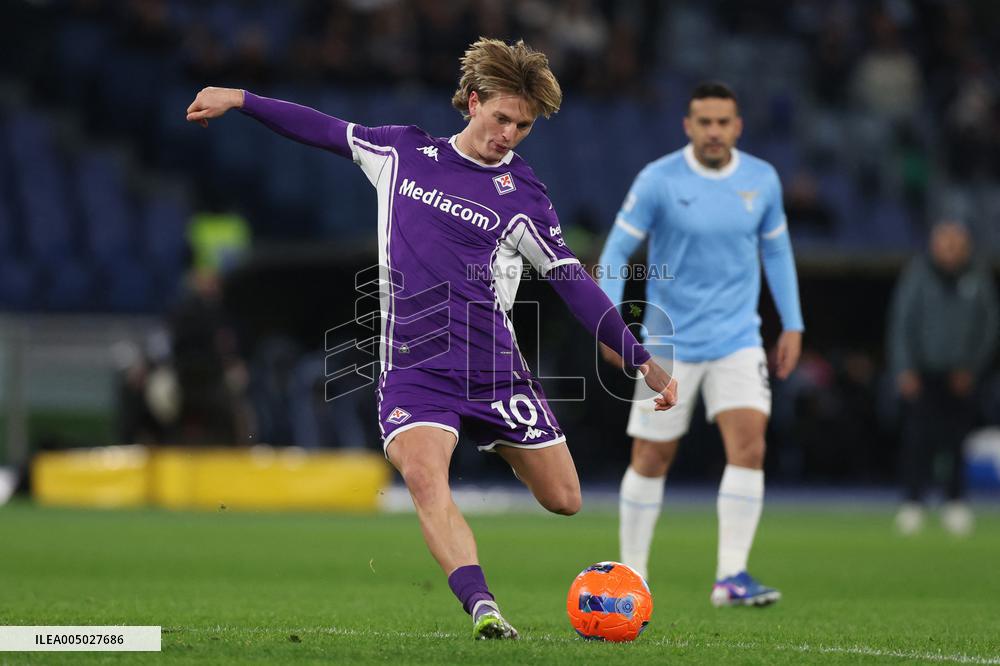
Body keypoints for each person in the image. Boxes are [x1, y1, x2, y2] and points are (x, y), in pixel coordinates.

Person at [186, 38, 677, 639]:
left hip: (495, 370)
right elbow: (322, 129)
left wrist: (640, 357)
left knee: (565, 498)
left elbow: (572, 282)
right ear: (473, 102)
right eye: (502, 118)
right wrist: (241, 98)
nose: (509, 135)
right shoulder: (401, 152)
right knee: (425, 477)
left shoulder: (523, 196)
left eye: (523, 126)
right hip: (416, 370)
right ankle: (483, 608)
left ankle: (492, 438)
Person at [597, 82, 804, 607]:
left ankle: (731, 576)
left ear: (738, 127)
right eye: (704, 122)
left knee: (750, 446)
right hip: (668, 344)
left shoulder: (762, 179)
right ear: (688, 126)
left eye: (723, 122)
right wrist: (608, 323)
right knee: (652, 455)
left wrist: (793, 324)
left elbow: (777, 254)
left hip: (738, 339)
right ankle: (633, 575)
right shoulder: (658, 179)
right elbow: (616, 251)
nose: (714, 131)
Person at [888, 219, 998, 537]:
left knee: (957, 441)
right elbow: (902, 323)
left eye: (955, 244)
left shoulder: (977, 278)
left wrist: (972, 367)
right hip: (922, 372)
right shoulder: (918, 275)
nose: (949, 250)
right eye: (944, 243)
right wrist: (904, 368)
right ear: (934, 246)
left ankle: (955, 502)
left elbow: (989, 327)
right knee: (917, 440)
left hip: (961, 375)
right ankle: (913, 502)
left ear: (966, 247)